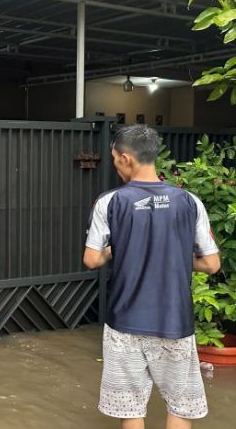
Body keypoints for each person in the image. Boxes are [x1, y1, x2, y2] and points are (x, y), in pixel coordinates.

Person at [83, 125, 220, 429]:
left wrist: (117, 250)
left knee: (131, 408)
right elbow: (211, 264)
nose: (116, 164)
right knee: (181, 406)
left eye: (115, 158)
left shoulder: (110, 202)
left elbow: (92, 259)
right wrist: (175, 257)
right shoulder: (189, 202)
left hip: (124, 322)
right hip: (174, 321)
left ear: (126, 159)